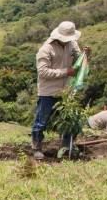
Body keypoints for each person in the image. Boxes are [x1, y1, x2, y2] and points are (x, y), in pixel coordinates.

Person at [31, 21, 91, 159]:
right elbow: (43, 72)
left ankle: (65, 146)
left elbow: (78, 61)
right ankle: (36, 147)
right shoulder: (46, 49)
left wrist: (85, 55)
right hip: (48, 91)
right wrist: (66, 71)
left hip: (66, 90)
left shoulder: (72, 44)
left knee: (69, 119)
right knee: (42, 120)